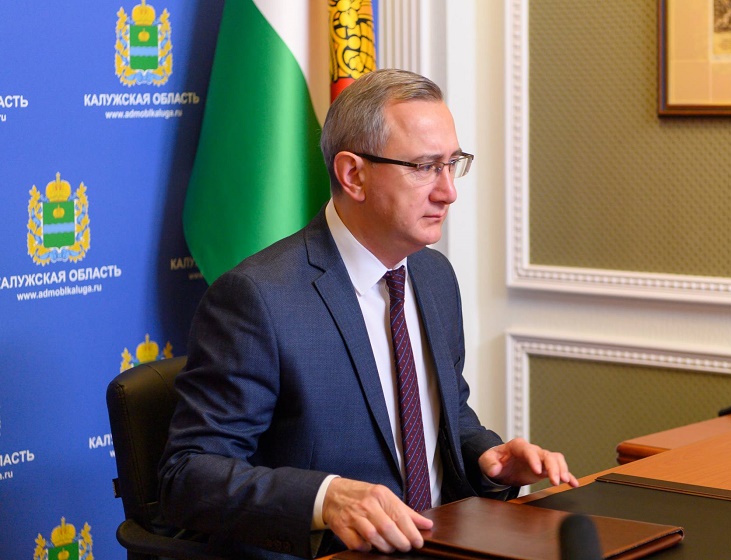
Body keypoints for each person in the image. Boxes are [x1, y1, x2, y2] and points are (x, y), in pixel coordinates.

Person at [158, 68, 578, 560]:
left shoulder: (434, 277)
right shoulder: (258, 298)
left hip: (446, 542)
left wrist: (487, 457)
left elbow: (445, 414)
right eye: (424, 167)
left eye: (452, 164)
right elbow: (187, 474)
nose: (448, 192)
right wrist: (326, 498)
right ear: (353, 174)